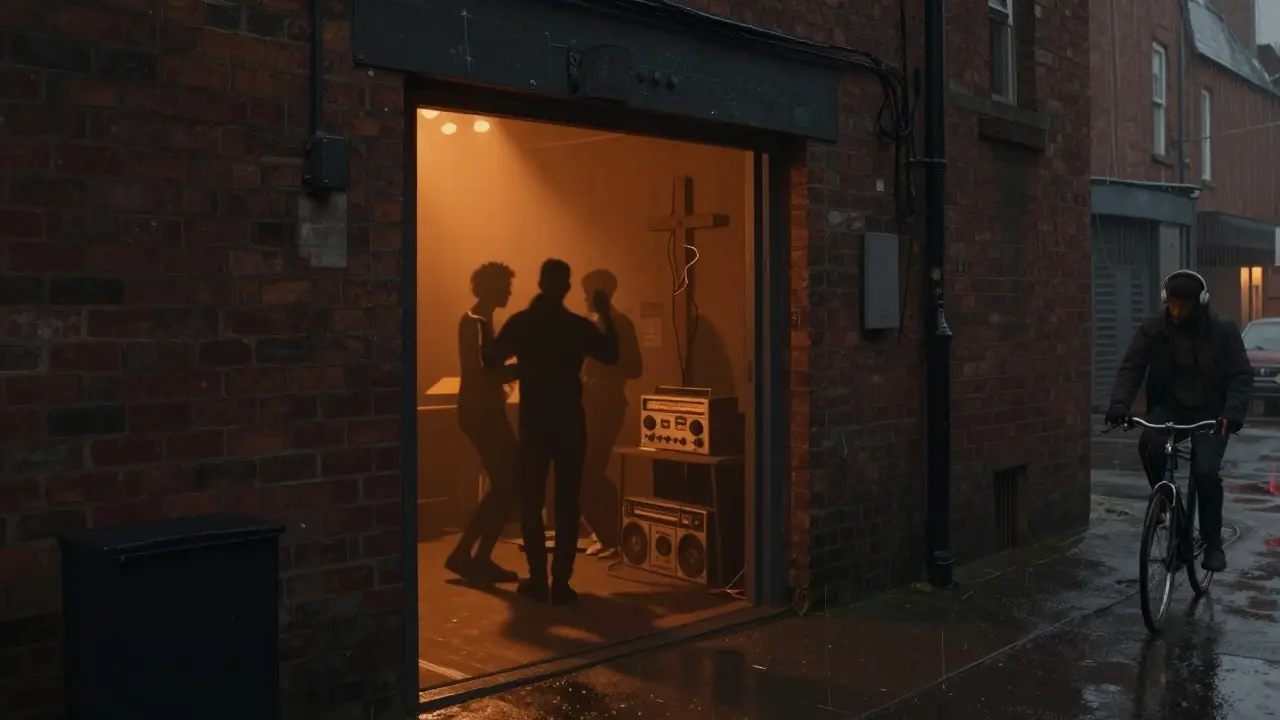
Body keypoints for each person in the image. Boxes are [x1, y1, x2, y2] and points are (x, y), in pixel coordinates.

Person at [483, 259, 620, 604]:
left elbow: (491, 361)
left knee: (532, 502)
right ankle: (561, 582)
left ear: (541, 283)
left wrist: (509, 354)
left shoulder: (522, 324)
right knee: (567, 504)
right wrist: (606, 315)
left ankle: (537, 578)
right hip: (570, 421)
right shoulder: (575, 326)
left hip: (535, 423)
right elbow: (612, 353)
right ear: (567, 287)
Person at [1104, 269, 1252, 572]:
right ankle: (1167, 506)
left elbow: (1240, 375)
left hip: (1212, 413)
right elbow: (1132, 367)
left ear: (1201, 302)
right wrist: (1120, 403)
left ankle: (1213, 544)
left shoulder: (1222, 330)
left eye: (1183, 305)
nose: (1176, 311)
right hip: (1171, 407)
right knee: (1148, 444)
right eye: (1171, 303)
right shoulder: (1154, 329)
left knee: (1206, 471)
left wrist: (1233, 414)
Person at [445, 262, 522, 585]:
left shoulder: (482, 321)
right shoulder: (476, 322)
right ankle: (471, 556)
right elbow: (483, 374)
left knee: (508, 485)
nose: (509, 292)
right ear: (490, 288)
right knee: (511, 483)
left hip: (483, 412)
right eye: (505, 286)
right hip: (482, 413)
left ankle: (470, 556)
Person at [578, 269, 643, 560]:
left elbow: (634, 368)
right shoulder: (595, 326)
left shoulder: (620, 325)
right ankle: (613, 530)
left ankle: (611, 535)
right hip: (588, 409)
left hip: (606, 410)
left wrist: (599, 379)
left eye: (588, 293)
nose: (584, 299)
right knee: (588, 473)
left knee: (586, 475)